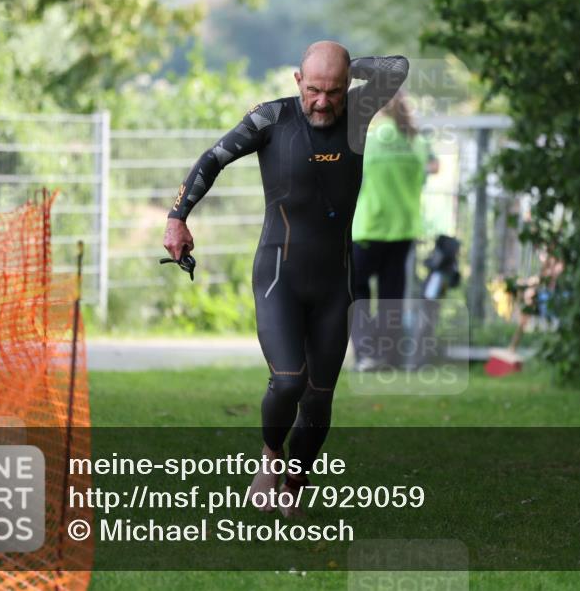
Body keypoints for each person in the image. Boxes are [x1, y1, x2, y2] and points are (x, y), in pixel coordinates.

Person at [163, 41, 408, 516]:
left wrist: (346, 66)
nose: (322, 101)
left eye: (333, 90)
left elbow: (398, 67)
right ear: (298, 82)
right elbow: (212, 158)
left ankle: (295, 481)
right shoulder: (271, 120)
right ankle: (270, 458)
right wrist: (178, 217)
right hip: (281, 275)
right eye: (313, 89)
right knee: (289, 381)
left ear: (347, 87)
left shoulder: (358, 112)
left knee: (319, 395)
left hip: (337, 280)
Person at [350, 91, 437, 370]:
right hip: (404, 229)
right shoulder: (417, 142)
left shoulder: (371, 139)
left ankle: (367, 352)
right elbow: (432, 167)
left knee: (355, 289)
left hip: (370, 227)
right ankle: (388, 355)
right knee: (391, 295)